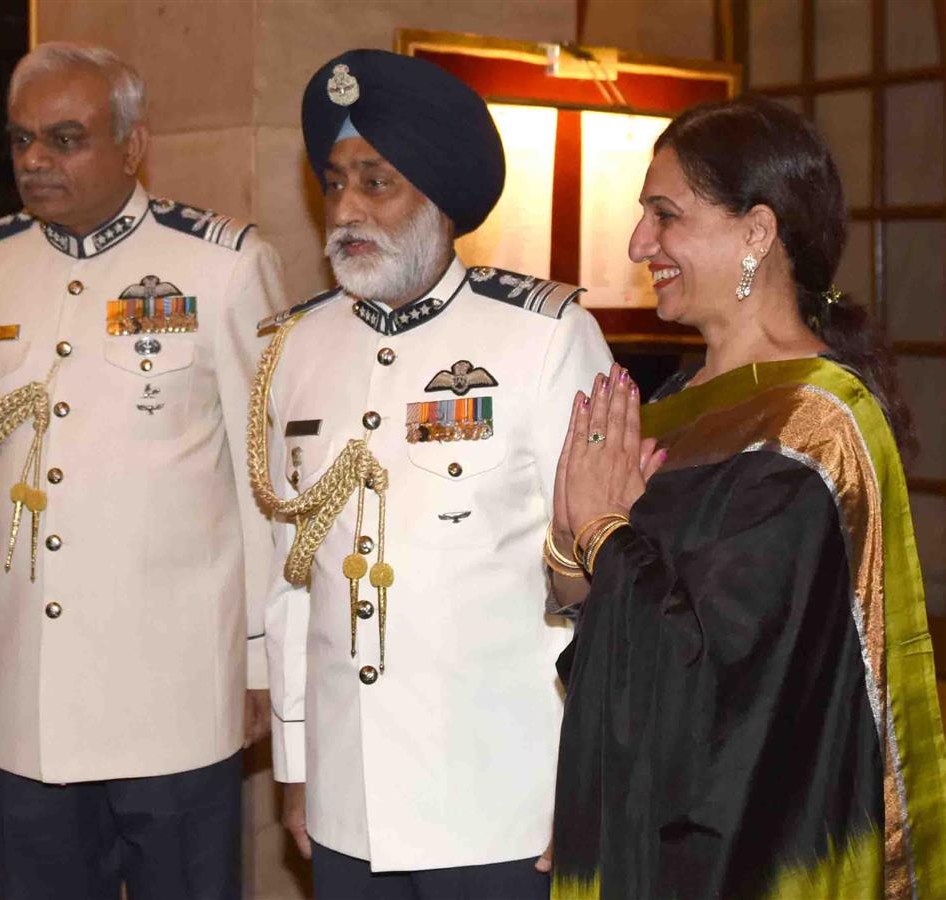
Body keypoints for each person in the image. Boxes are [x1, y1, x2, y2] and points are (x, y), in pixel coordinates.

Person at [548, 96, 946, 898]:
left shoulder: (812, 424)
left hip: (746, 849)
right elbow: (594, 613)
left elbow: (718, 674)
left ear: (756, 233)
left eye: (665, 216)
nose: (638, 243)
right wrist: (571, 541)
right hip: (646, 820)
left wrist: (599, 529)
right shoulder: (671, 400)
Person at [254, 49, 613, 897]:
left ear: (439, 197)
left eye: (375, 183)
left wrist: (591, 775)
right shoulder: (291, 351)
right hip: (349, 801)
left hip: (502, 800)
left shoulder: (543, 336)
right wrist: (298, 761)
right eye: (333, 181)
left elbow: (605, 575)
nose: (344, 209)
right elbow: (289, 579)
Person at [0, 42, 280, 898]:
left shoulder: (221, 265)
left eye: (64, 138)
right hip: (29, 695)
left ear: (132, 146)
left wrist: (257, 664)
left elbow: (263, 480)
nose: (35, 162)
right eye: (21, 141)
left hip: (170, 691)